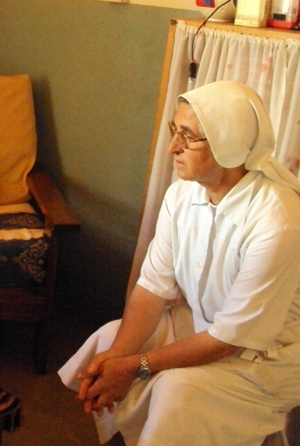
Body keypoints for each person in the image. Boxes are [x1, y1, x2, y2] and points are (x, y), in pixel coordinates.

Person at [59, 80, 300, 445]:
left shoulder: (277, 221)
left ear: (229, 143)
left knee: (176, 389)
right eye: (175, 130)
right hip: (206, 325)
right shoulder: (182, 194)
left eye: (187, 136)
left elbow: (230, 339)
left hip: (266, 356)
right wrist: (119, 357)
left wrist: (135, 366)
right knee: (110, 339)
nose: (173, 146)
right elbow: (153, 286)